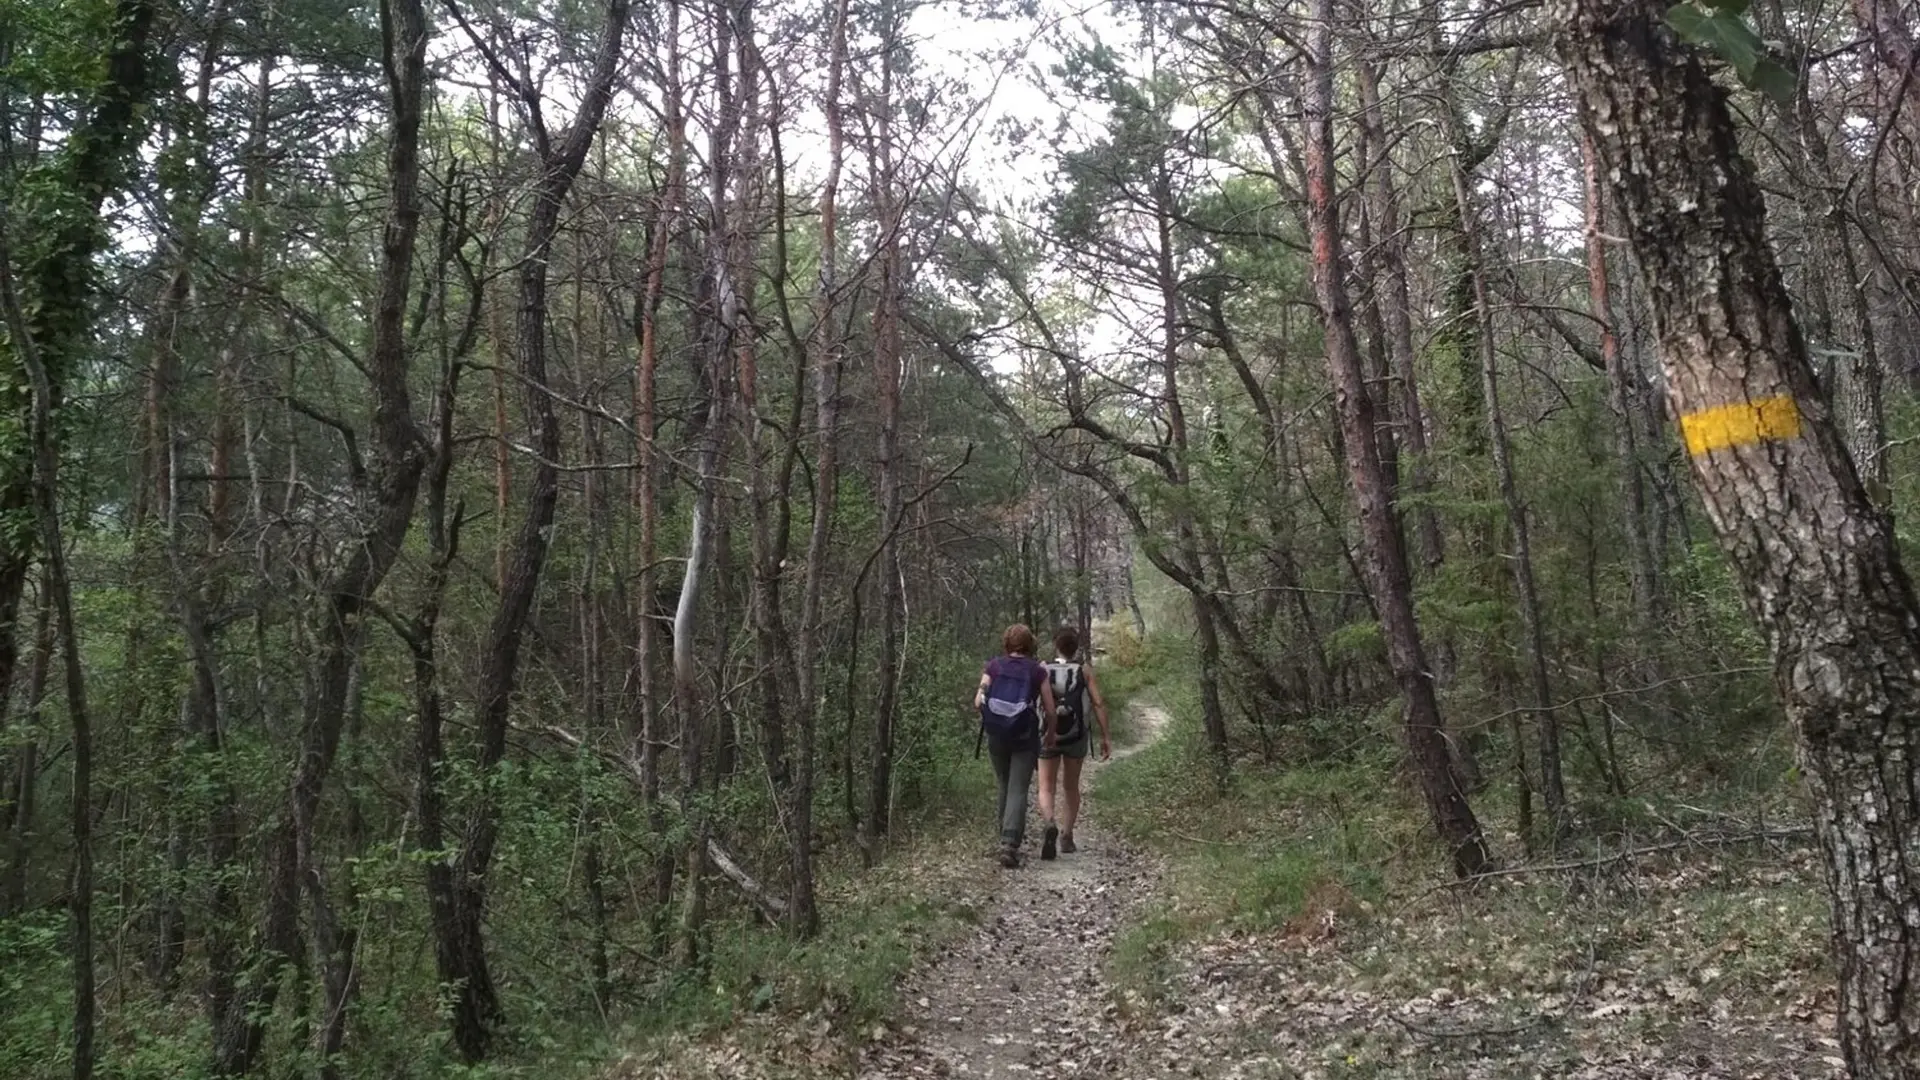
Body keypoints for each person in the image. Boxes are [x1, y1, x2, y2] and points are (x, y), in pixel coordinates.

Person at [974, 624, 1057, 868]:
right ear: (1030, 644)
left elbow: (978, 701)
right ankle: (1009, 844)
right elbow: (1050, 710)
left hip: (997, 735)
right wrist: (1050, 734)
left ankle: (1004, 836)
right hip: (1024, 735)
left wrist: (994, 717)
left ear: (1007, 643)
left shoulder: (994, 666)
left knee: (1004, 783)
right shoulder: (1037, 671)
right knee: (1018, 788)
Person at [1037, 626, 1112, 860]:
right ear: (1076, 647)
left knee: (1046, 787)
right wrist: (1105, 736)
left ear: (1055, 645)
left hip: (1047, 735)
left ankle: (1050, 822)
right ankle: (1067, 836)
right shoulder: (1084, 670)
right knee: (1071, 787)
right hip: (1076, 735)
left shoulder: (1043, 668)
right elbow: (1098, 703)